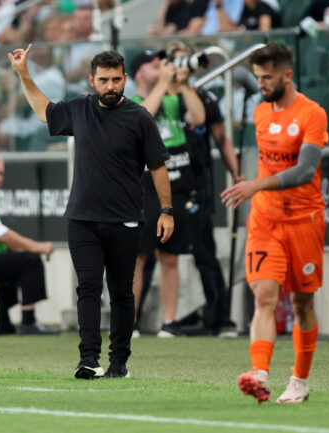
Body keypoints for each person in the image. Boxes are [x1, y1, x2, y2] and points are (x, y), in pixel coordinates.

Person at [9, 45, 173, 379]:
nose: (110, 86)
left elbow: (157, 167)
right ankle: (88, 359)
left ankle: (119, 362)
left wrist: (167, 210)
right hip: (82, 218)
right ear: (92, 80)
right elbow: (43, 111)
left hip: (126, 218)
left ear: (125, 79)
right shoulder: (79, 109)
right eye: (103, 80)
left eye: (116, 79)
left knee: (122, 292)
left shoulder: (140, 117)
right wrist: (23, 73)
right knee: (87, 288)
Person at [221, 41, 329, 404]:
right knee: (264, 296)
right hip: (265, 220)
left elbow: (305, 170)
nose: (261, 84)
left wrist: (254, 184)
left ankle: (299, 382)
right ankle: (260, 374)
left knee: (301, 304)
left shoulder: (313, 114)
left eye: (267, 78)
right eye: (257, 78)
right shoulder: (260, 111)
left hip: (304, 220)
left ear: (288, 75)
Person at [130, 46, 205, 338]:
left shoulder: (174, 97)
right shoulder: (133, 101)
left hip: (177, 185)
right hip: (145, 187)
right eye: (153, 65)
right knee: (138, 256)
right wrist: (163, 82)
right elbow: (143, 116)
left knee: (170, 256)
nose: (162, 67)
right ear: (139, 73)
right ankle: (130, 321)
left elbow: (198, 118)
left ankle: (169, 322)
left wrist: (183, 84)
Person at [184, 84, 244, 336]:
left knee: (204, 252)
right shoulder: (153, 95)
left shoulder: (203, 97)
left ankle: (218, 315)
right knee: (148, 254)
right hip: (157, 182)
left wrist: (236, 173)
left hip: (197, 183)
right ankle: (132, 322)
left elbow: (220, 137)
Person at [0, 156, 57, 335]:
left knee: (10, 261)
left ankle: (5, 322)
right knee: (30, 260)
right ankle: (28, 321)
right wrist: (37, 247)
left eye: (1, 173)